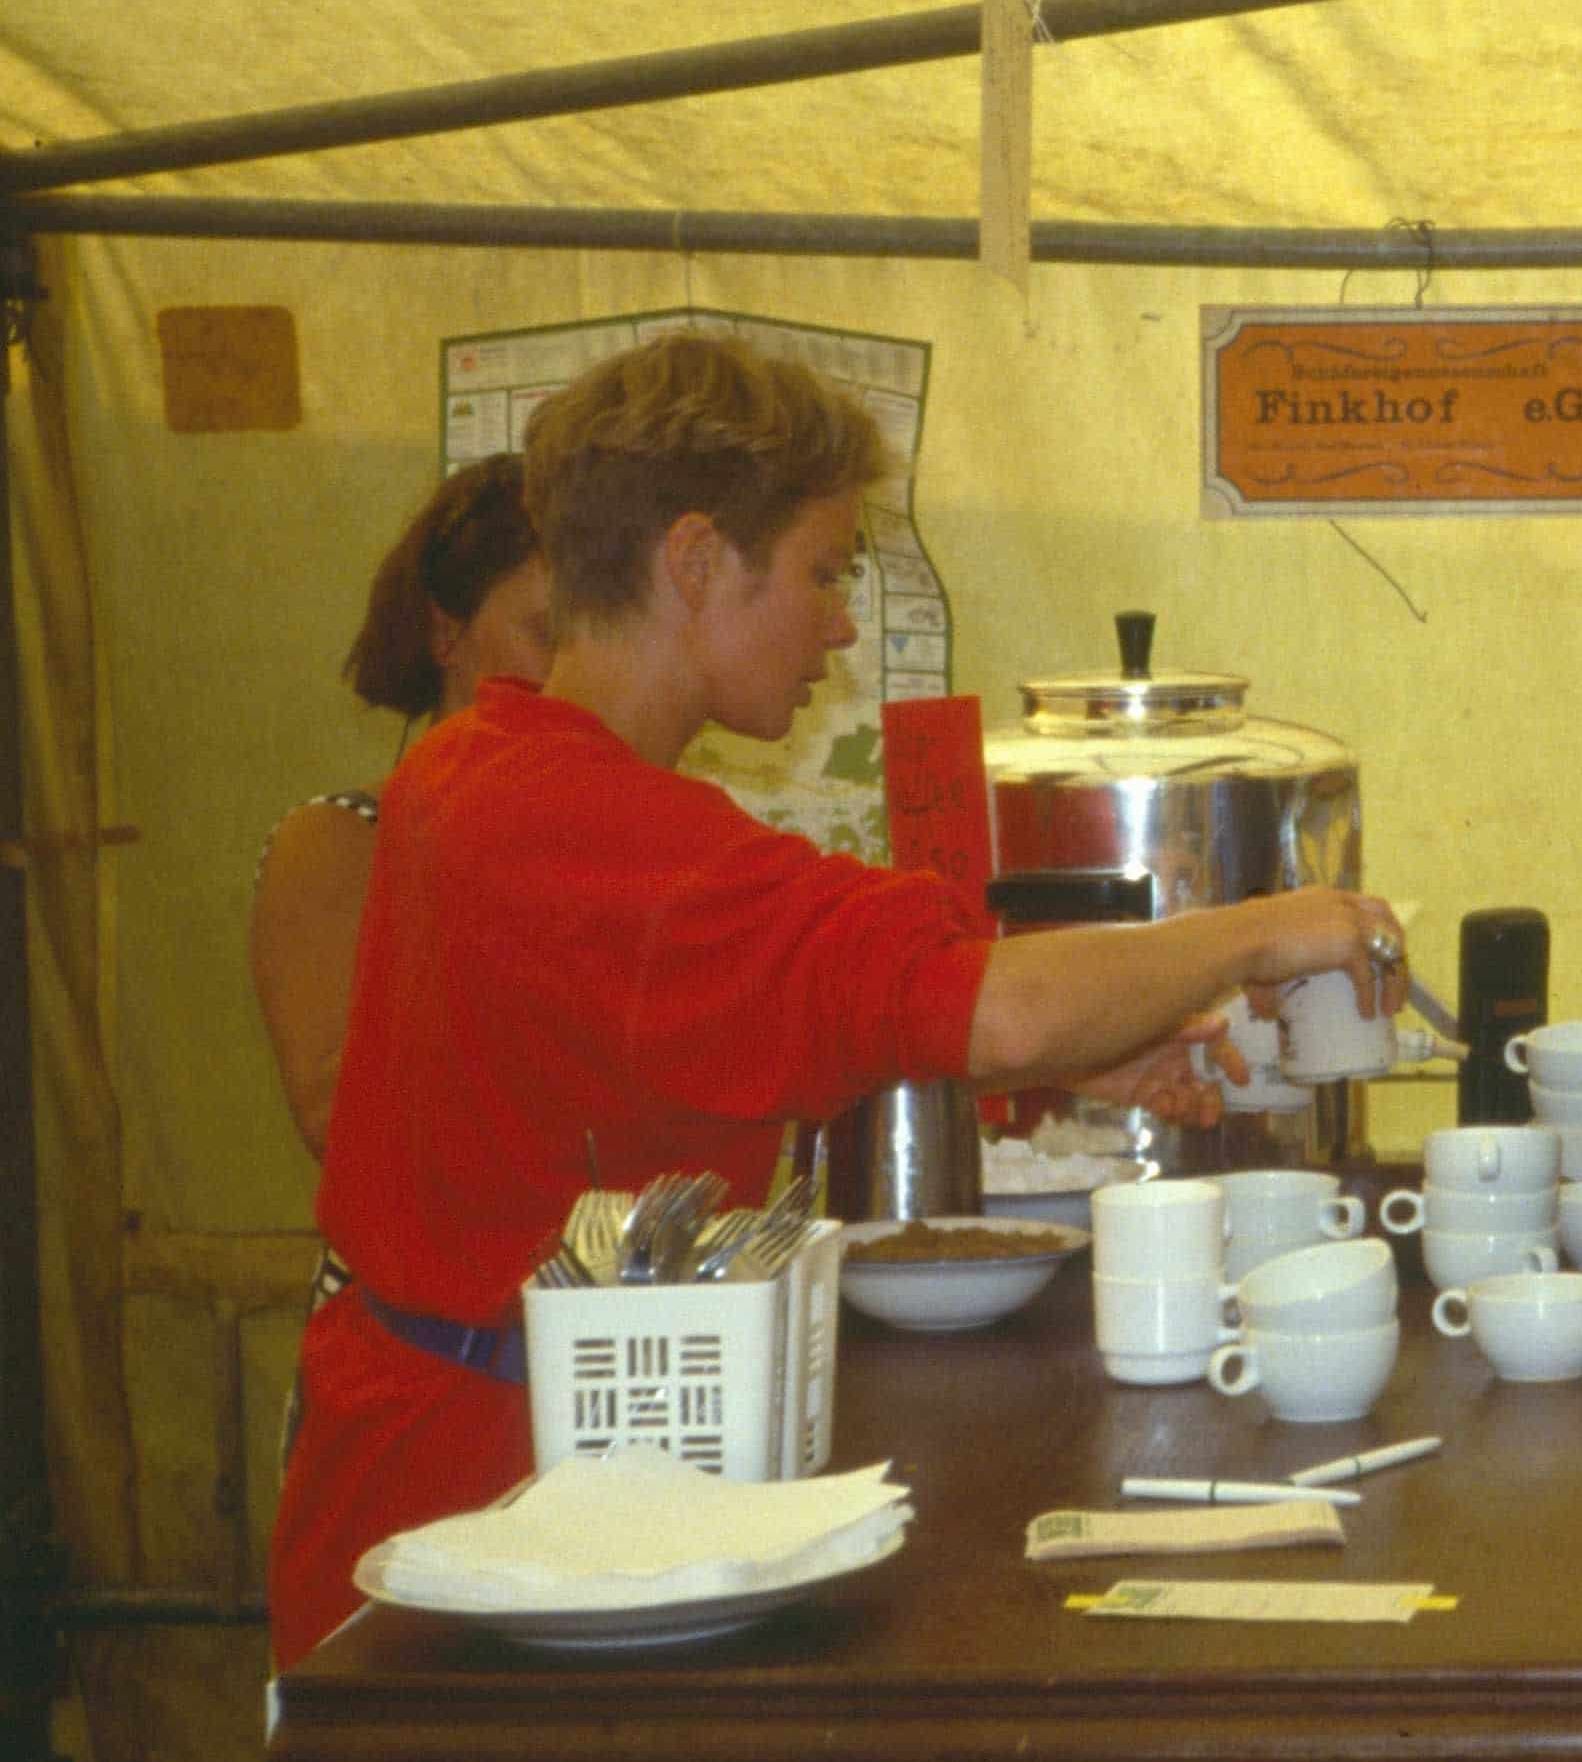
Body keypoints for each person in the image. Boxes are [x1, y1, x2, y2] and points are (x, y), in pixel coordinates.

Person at [267, 332, 1402, 1668]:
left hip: (476, 1460)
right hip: (497, 1526)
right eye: (820, 571)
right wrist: (1281, 928)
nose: (843, 622)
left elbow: (701, 1029)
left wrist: (1070, 1054)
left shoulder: (480, 767)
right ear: (693, 561)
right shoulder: (592, 828)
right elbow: (997, 1011)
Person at [250, 453, 556, 1163]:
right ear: (445, 634)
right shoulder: (338, 839)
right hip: (411, 1273)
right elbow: (339, 1117)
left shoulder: (614, 837)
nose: (575, 672)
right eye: (548, 634)